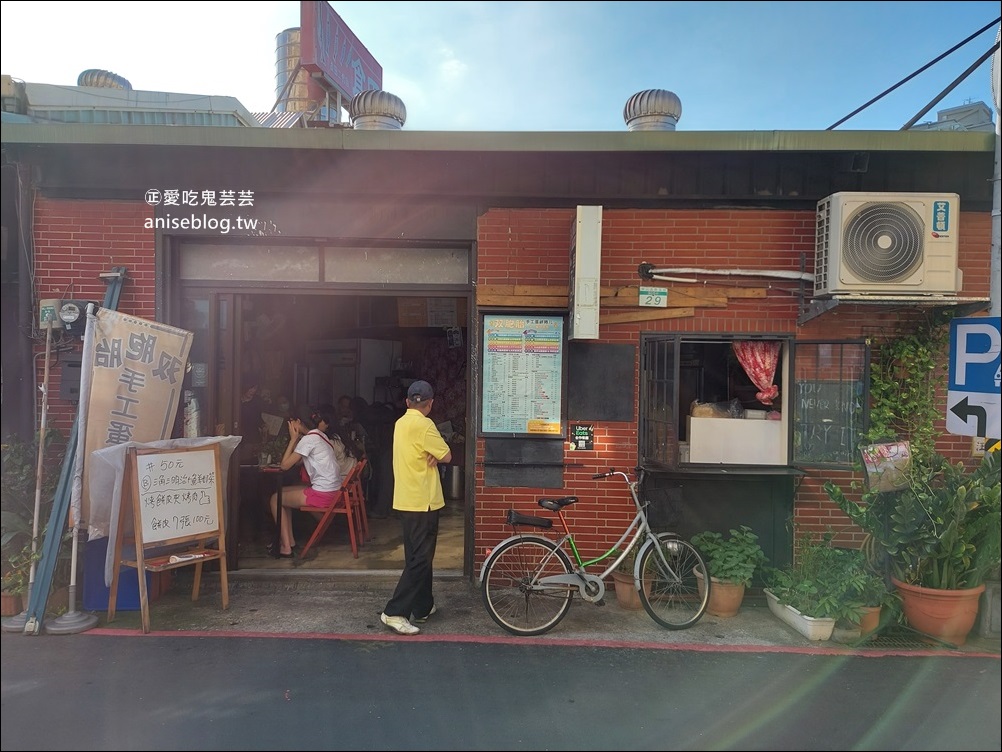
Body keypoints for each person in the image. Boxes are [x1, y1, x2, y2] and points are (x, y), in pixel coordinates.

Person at [380, 380, 451, 635]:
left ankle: (423, 605)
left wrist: (432, 452)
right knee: (421, 559)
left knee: (417, 555)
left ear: (408, 402)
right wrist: (436, 452)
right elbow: (447, 455)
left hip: (406, 499)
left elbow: (425, 451)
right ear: (430, 404)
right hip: (424, 500)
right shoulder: (425, 424)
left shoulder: (401, 423)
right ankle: (395, 611)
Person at [266, 405, 343, 557]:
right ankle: (289, 541)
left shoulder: (308, 440)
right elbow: (299, 462)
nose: (289, 424)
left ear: (298, 422)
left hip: (323, 494)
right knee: (281, 494)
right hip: (333, 491)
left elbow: (285, 465)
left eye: (291, 421)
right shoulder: (320, 436)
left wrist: (293, 439)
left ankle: (286, 547)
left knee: (275, 499)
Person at [317, 402, 361, 478]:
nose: (315, 422)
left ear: (326, 422)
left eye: (318, 419)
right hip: (347, 480)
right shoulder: (339, 435)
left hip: (339, 483)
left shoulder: (331, 442)